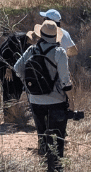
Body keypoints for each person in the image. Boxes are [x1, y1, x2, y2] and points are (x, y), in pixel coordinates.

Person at [15, 20, 73, 172]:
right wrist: (69, 94)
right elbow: (66, 81)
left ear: (40, 34)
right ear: (55, 36)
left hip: (35, 100)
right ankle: (56, 167)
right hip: (56, 101)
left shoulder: (32, 50)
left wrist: (28, 85)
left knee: (42, 135)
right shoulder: (59, 52)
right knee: (58, 138)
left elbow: (17, 68)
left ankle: (44, 164)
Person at [0, 31, 35, 122]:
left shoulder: (28, 45)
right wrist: (8, 68)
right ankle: (8, 116)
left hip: (13, 65)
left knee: (18, 84)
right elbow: (6, 52)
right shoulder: (17, 39)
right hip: (2, 62)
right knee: (8, 85)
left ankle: (14, 111)